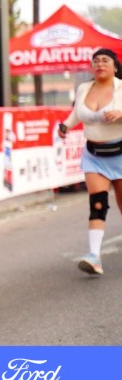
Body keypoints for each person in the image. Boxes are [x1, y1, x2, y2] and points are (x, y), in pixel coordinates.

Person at [58, 48, 122, 275]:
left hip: (120, 153)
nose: (100, 64)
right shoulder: (84, 88)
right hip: (94, 155)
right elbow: (77, 112)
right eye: (96, 61)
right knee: (97, 203)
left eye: (105, 60)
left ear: (115, 67)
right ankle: (94, 257)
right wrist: (66, 125)